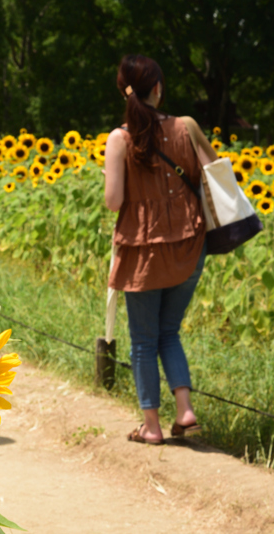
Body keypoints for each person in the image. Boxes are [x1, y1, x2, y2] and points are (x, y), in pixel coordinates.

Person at [103, 54, 217, 445]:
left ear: (123, 90)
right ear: (159, 89)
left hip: (144, 252)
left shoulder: (120, 139)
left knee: (143, 340)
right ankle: (185, 412)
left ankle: (151, 426)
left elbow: (113, 201)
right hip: (190, 245)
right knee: (170, 332)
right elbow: (217, 171)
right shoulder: (187, 127)